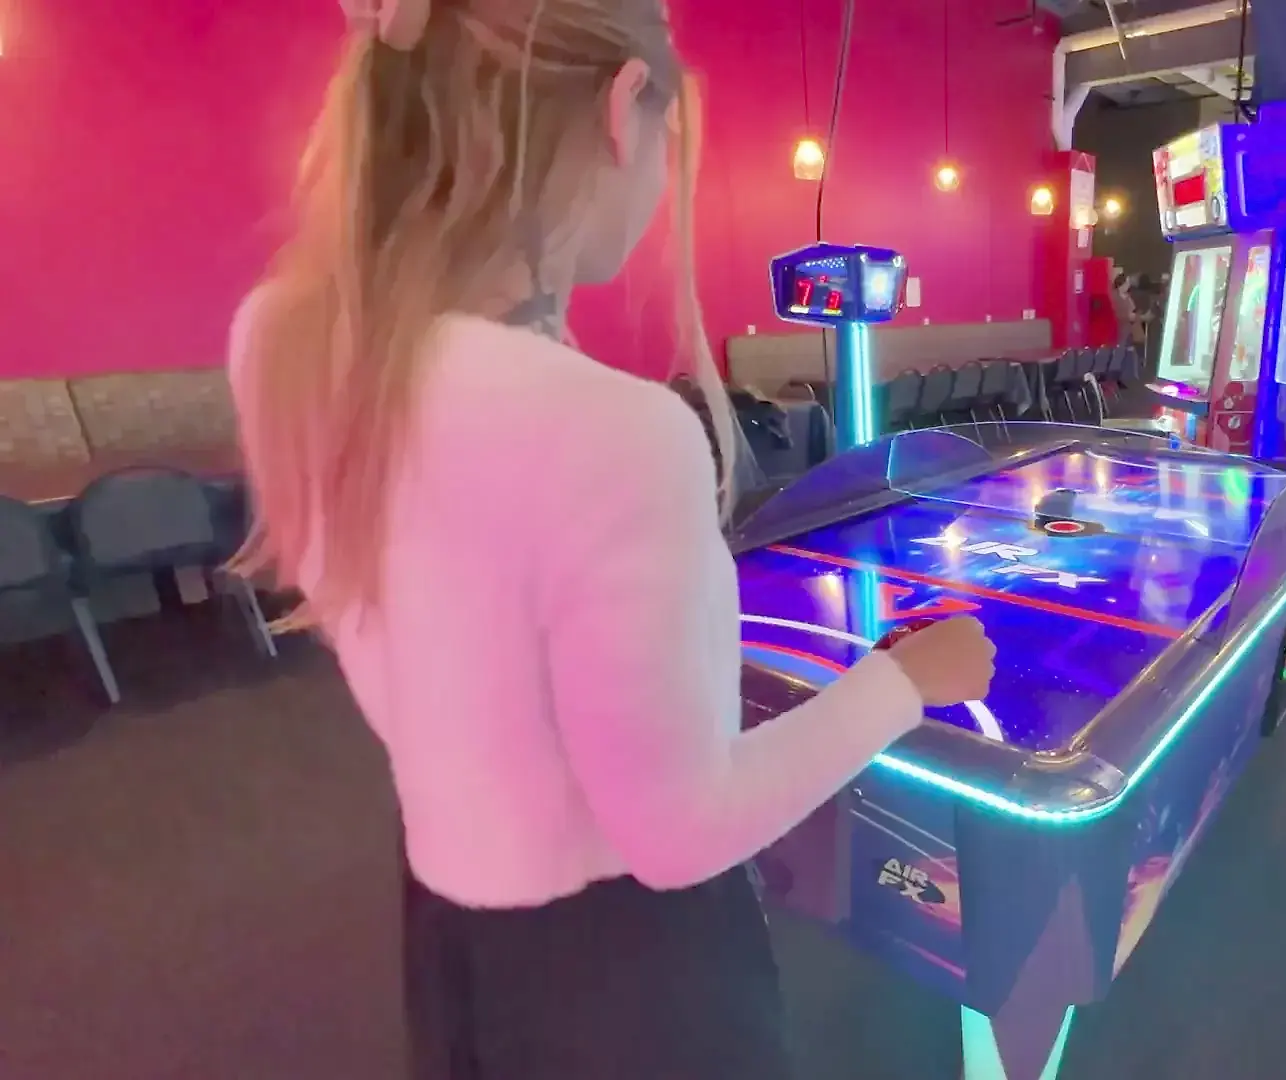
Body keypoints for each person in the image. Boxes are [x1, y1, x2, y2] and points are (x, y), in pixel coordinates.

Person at [225, 1, 995, 1076]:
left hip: (449, 929)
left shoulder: (279, 342)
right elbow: (683, 831)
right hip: (628, 982)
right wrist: (907, 681)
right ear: (623, 105)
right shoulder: (615, 431)